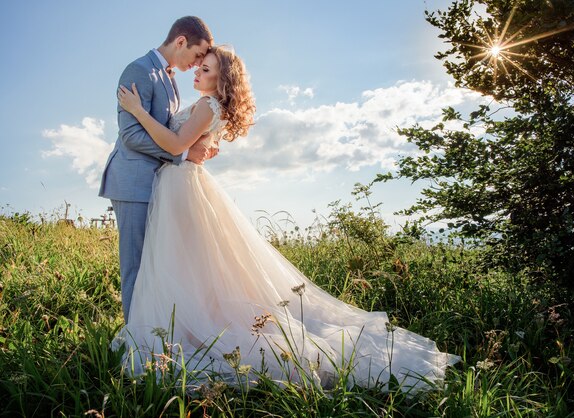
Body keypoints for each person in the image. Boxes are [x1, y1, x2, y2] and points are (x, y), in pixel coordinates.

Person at [115, 46, 460, 392]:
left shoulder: (207, 106)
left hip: (182, 187)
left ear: (221, 81)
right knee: (190, 269)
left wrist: (138, 111)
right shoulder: (206, 106)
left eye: (206, 70)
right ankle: (184, 328)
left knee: (183, 265)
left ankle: (183, 333)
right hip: (180, 185)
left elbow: (175, 145)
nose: (198, 73)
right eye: (200, 67)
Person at [99, 17, 215, 322]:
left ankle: (154, 338)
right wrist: (184, 153)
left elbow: (165, 129)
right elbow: (132, 136)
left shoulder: (170, 78)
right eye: (197, 55)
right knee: (136, 266)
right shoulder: (139, 70)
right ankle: (136, 347)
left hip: (157, 183)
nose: (198, 63)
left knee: (156, 265)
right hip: (133, 181)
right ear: (180, 42)